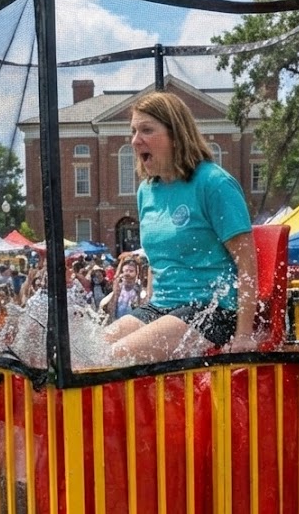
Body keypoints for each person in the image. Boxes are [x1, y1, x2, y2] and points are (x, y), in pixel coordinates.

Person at [104, 91, 259, 362]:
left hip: (212, 310)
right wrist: (148, 306)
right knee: (88, 352)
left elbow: (247, 263)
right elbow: (155, 261)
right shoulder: (146, 192)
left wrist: (244, 334)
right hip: (161, 307)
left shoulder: (214, 183)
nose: (135, 140)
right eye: (133, 131)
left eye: (146, 130)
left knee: (116, 357)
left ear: (176, 135)